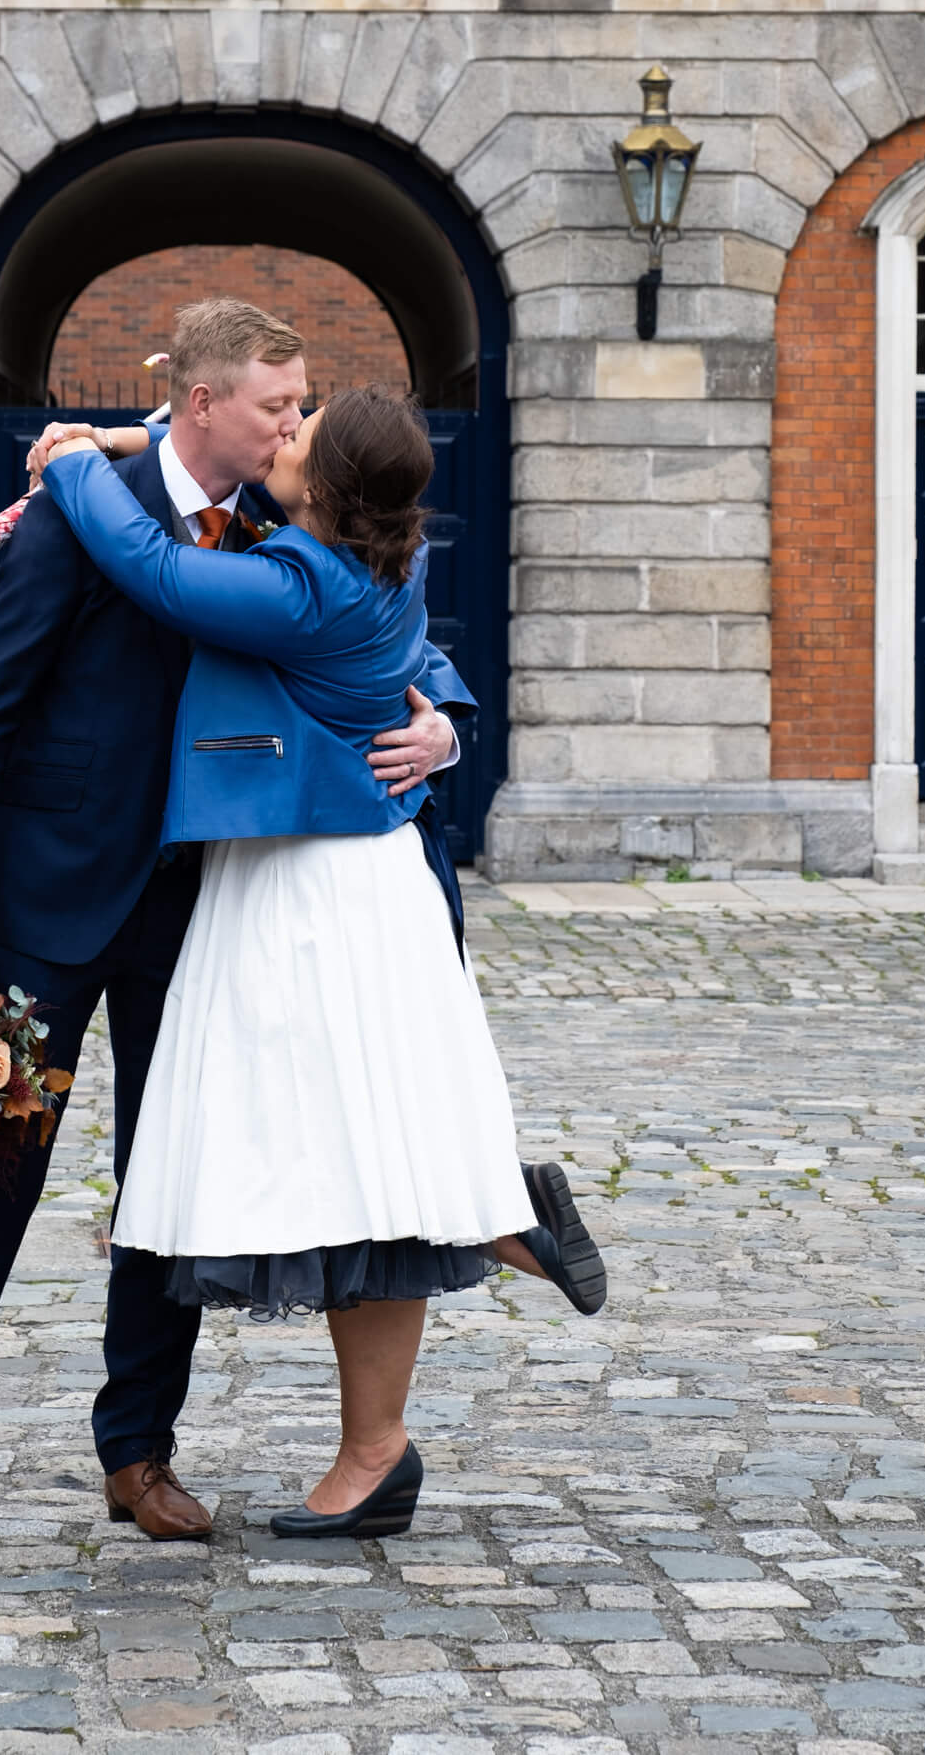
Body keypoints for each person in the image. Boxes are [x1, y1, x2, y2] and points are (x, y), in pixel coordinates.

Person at [0, 300, 469, 1554]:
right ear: (203, 405)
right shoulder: (76, 512)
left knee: (165, 1188)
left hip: (201, 904)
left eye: (301, 406)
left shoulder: (285, 514)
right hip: (45, 899)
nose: (295, 422)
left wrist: (444, 722)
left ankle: (138, 1455)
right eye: (276, 404)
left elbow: (395, 624)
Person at [36, 386, 606, 1540]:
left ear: (333, 491)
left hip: (312, 887)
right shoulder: (389, 565)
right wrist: (129, 436)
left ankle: (484, 1222)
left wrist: (66, 461)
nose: (277, 438)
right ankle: (472, 1259)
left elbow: (151, 567)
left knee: (331, 1140)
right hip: (361, 875)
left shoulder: (300, 586)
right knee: (366, 1144)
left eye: (296, 435)